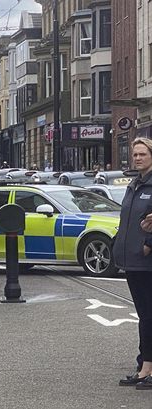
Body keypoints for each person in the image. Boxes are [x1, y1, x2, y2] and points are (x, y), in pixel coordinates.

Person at [114, 137, 152, 389]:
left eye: (143, 154)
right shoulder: (135, 184)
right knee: (144, 316)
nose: (137, 158)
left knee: (150, 316)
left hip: (148, 261)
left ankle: (147, 368)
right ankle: (144, 365)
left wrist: (149, 242)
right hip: (133, 261)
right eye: (135, 154)